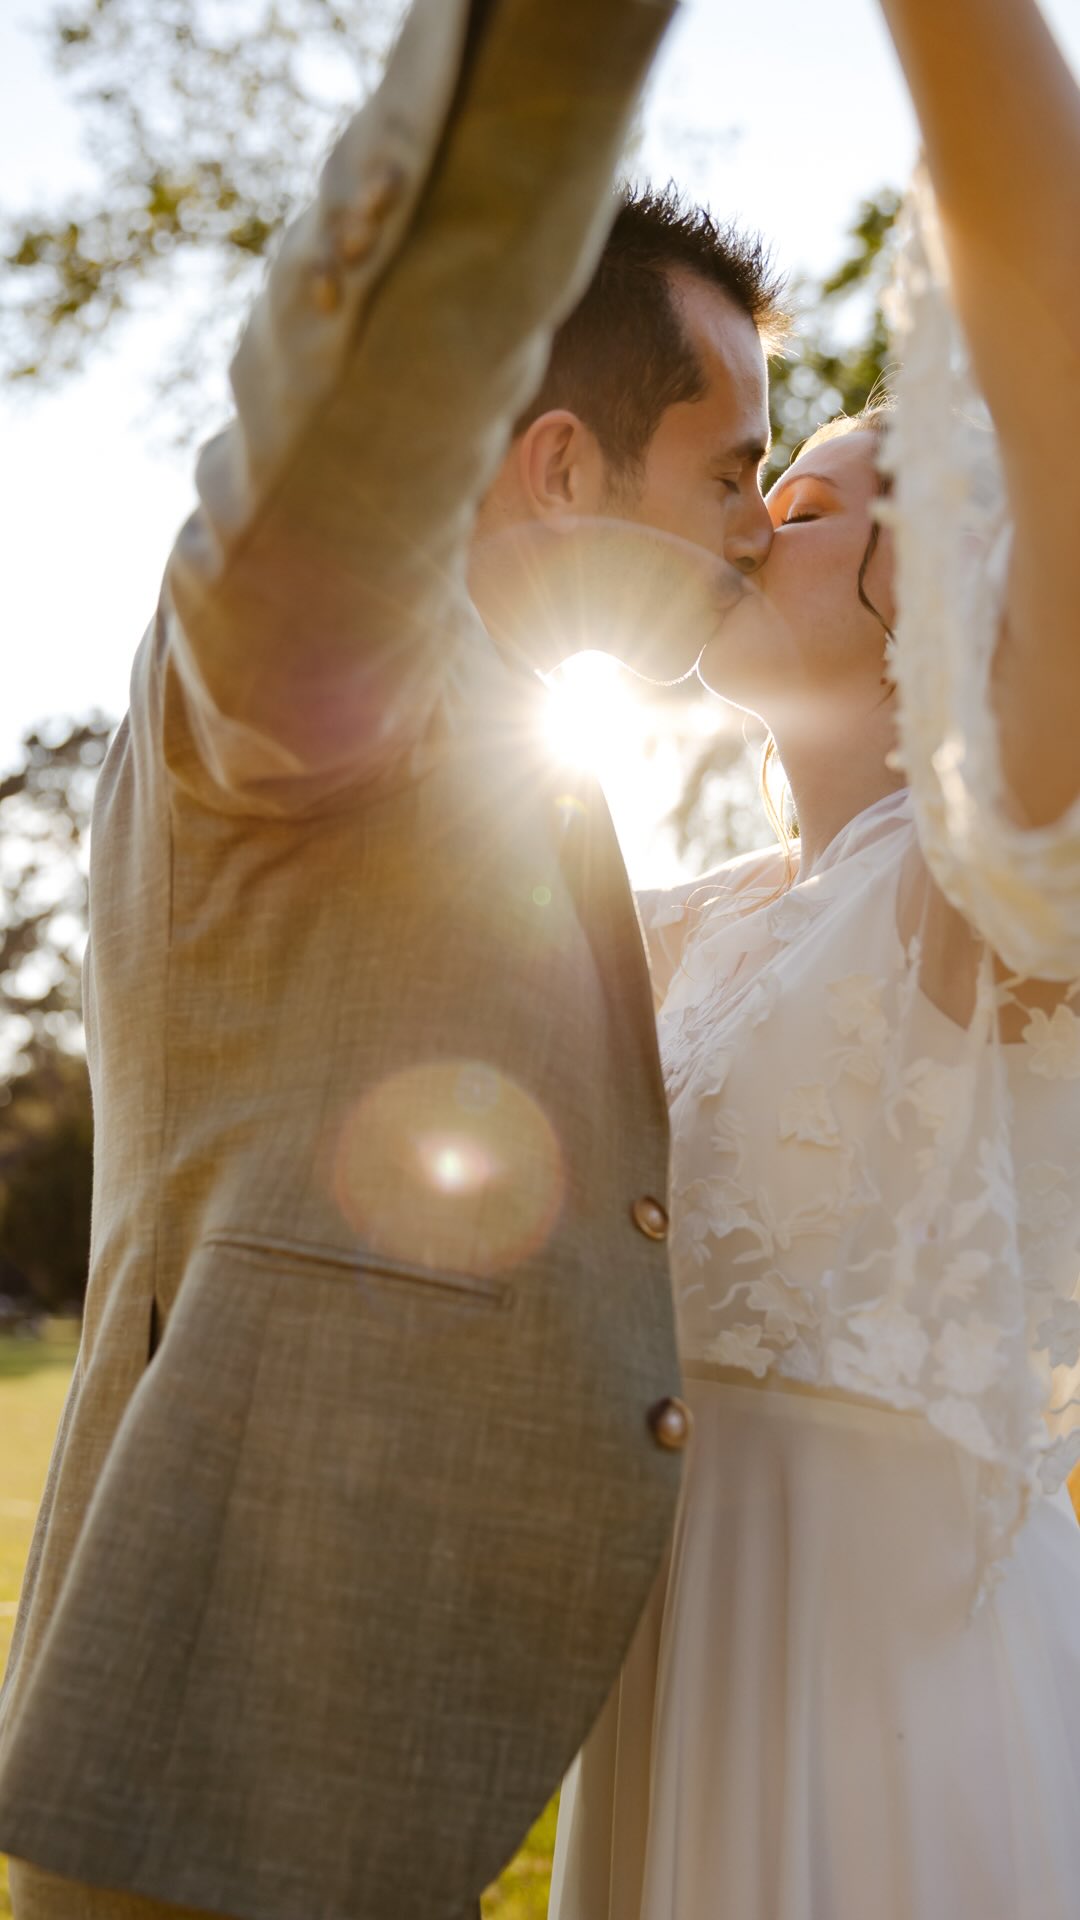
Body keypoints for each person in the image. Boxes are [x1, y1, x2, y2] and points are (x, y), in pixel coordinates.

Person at [0, 3, 794, 1917]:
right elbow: (338, 441)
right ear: (553, 467)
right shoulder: (327, 666)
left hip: (349, 1763)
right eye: (729, 471)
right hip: (226, 1758)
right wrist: (540, 69)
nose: (761, 532)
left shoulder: (503, 745)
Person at [549, 0, 1080, 1915]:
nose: (731, 533)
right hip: (674, 1639)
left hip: (884, 1669)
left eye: (785, 502)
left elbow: (1060, 325)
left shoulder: (963, 889)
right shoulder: (683, 915)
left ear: (931, 579)